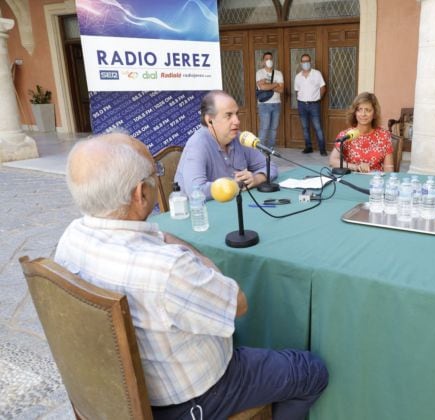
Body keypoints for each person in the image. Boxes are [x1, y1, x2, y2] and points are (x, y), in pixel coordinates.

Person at [55, 132, 329, 420]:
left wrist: (156, 235)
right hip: (191, 397)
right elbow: (238, 304)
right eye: (154, 174)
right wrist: (196, 255)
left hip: (118, 391)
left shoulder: (70, 237)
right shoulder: (167, 268)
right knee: (310, 371)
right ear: (140, 193)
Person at [174, 90, 278, 200]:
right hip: (200, 213)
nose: (237, 121)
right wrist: (235, 184)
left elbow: (271, 166)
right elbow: (196, 190)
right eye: (228, 115)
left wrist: (256, 178)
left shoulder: (240, 138)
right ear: (210, 120)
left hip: (235, 205)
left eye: (236, 114)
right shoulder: (197, 145)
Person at [329, 92, 394, 173]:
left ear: (374, 114)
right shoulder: (346, 135)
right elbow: (333, 161)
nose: (363, 114)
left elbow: (389, 169)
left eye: (368, 110)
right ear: (355, 113)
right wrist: (356, 167)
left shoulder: (384, 136)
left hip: (375, 182)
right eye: (359, 110)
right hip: (351, 180)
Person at [294, 53, 327, 156]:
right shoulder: (298, 76)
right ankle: (308, 147)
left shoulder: (317, 74)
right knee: (305, 127)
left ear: (310, 62)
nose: (305, 63)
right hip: (302, 105)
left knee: (317, 127)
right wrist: (301, 99)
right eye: (303, 61)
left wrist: (318, 98)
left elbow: (323, 88)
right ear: (301, 63)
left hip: (314, 105)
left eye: (307, 61)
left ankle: (322, 149)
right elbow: (297, 91)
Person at [256, 51, 284, 148]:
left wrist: (267, 84)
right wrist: (276, 84)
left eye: (270, 59)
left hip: (276, 104)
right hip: (264, 104)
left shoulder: (278, 73)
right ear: (263, 61)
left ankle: (270, 149)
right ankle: (261, 150)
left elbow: (281, 89)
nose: (269, 61)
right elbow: (262, 88)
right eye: (266, 59)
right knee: (264, 128)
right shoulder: (259, 73)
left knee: (273, 128)